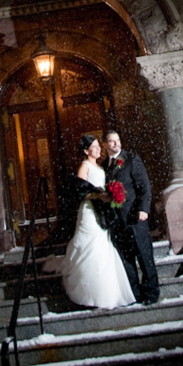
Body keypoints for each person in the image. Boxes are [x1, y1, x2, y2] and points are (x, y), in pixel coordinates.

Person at [60, 133, 135, 310]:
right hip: (89, 211)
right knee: (89, 244)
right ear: (86, 151)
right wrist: (98, 196)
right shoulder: (84, 166)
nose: (98, 149)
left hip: (102, 211)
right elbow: (80, 191)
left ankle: (106, 293)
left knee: (103, 245)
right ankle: (88, 293)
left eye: (98, 146)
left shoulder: (101, 167)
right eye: (94, 147)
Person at [103, 130, 160, 305]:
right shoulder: (104, 166)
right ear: (105, 144)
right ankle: (134, 293)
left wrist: (144, 209)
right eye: (111, 141)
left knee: (144, 255)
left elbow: (144, 186)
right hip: (116, 220)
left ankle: (151, 293)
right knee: (126, 259)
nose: (116, 144)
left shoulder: (131, 159)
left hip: (134, 216)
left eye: (117, 140)